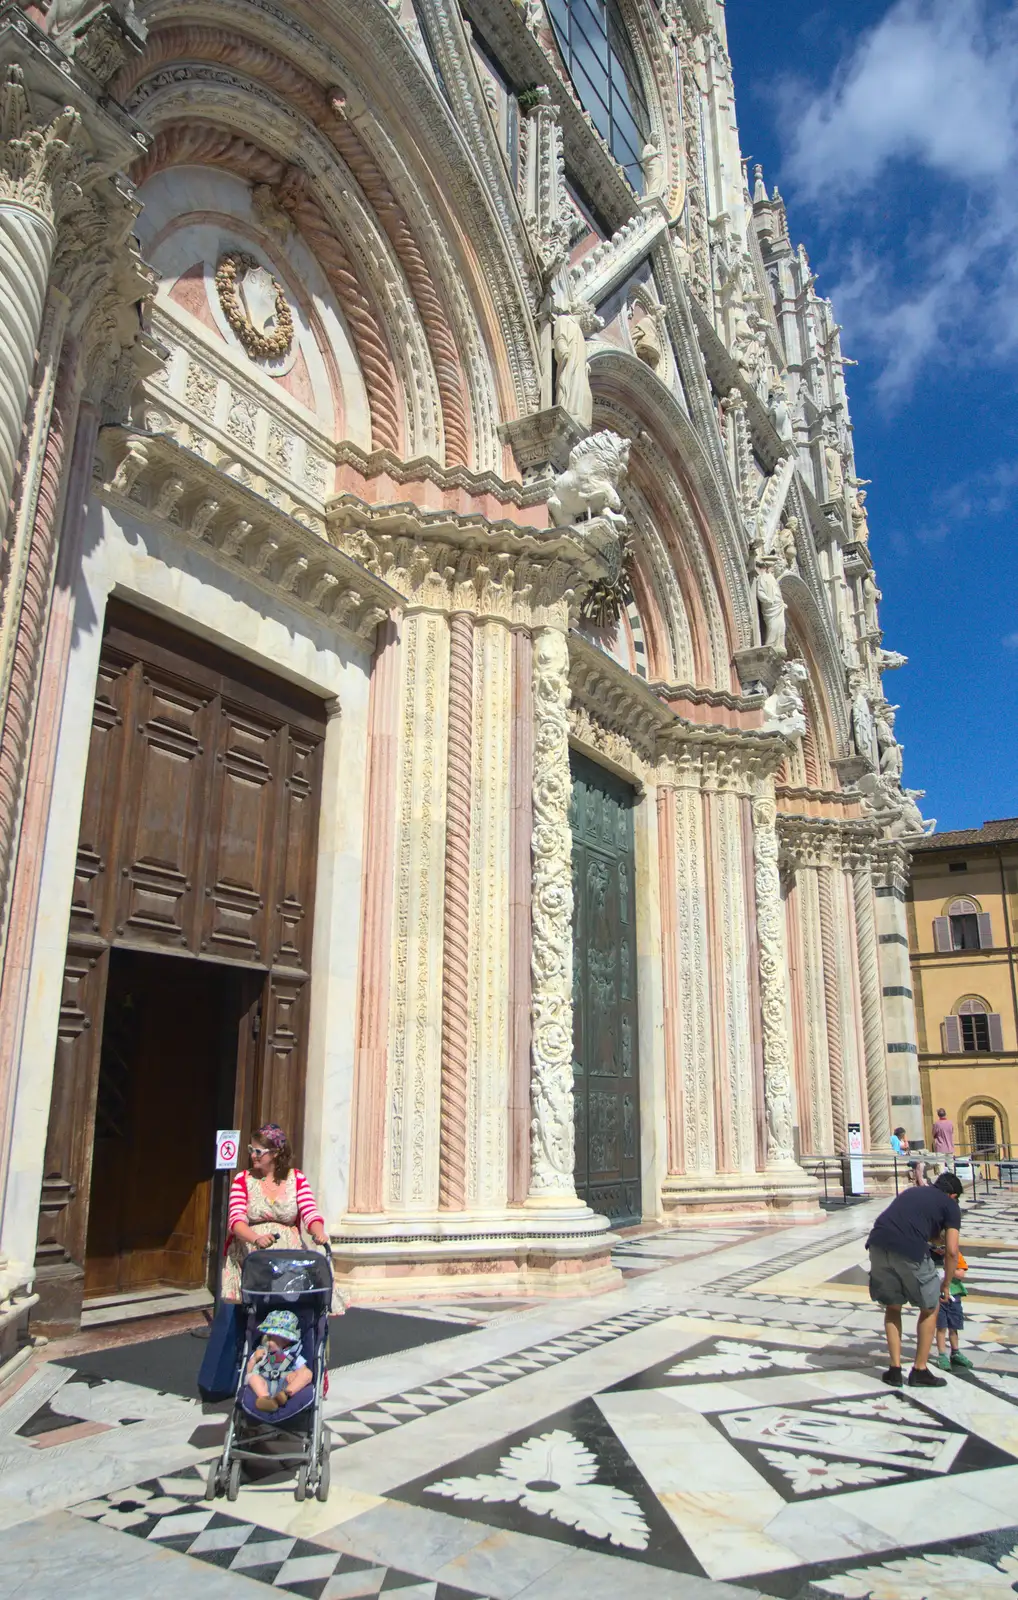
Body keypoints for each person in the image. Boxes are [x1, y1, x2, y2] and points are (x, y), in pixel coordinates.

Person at [866, 1170, 964, 1389]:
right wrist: (946, 1283)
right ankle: (920, 1370)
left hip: (877, 1244)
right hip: (909, 1251)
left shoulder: (914, 1192)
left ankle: (894, 1369)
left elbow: (910, 1223)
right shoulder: (951, 1206)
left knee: (893, 1306)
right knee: (930, 1307)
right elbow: (952, 1251)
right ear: (953, 1195)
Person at [223, 1123, 327, 1301]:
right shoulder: (243, 1179)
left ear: (275, 1153)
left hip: (287, 1254)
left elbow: (310, 1213)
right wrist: (256, 1238)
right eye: (251, 1149)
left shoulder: (296, 1178)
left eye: (258, 1151)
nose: (252, 1155)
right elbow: (236, 1220)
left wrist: (319, 1233)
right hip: (251, 1253)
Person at [245, 1308, 312, 1413]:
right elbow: (248, 1374)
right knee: (253, 1378)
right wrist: (253, 1360)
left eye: (272, 1338)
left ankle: (283, 1396)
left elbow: (303, 1371)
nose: (268, 1341)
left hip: (285, 1385)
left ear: (286, 1340)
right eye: (268, 1337)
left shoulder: (293, 1354)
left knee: (307, 1374)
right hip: (265, 1382)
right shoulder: (261, 1352)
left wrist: (295, 1374)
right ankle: (266, 1400)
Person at [931, 1229, 973, 1372]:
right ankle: (942, 1354)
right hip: (938, 1296)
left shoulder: (956, 1256)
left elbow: (962, 1273)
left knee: (954, 1327)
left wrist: (949, 1267)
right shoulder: (932, 1257)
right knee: (941, 1326)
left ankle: (955, 1352)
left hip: (954, 1296)